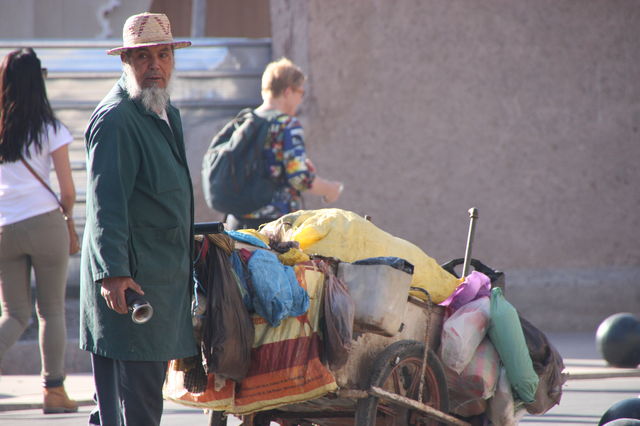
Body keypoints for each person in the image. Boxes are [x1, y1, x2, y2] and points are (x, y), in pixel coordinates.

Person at [79, 12, 197, 426]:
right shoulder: (117, 119)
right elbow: (104, 205)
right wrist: (113, 273)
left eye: (163, 55)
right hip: (130, 288)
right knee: (135, 408)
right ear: (126, 62)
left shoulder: (164, 112)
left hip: (159, 281)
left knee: (128, 407)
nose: (155, 66)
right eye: (144, 57)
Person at [0, 48, 78, 413]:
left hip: (5, 229)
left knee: (15, 315)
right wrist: (66, 213)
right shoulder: (50, 129)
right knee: (51, 311)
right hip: (46, 224)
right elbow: (67, 192)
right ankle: (54, 391)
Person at [225, 57, 343, 230]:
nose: (301, 100)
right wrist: (330, 190)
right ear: (288, 91)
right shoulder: (287, 124)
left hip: (236, 223)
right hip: (272, 227)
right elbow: (300, 179)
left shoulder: (244, 120)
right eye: (301, 93)